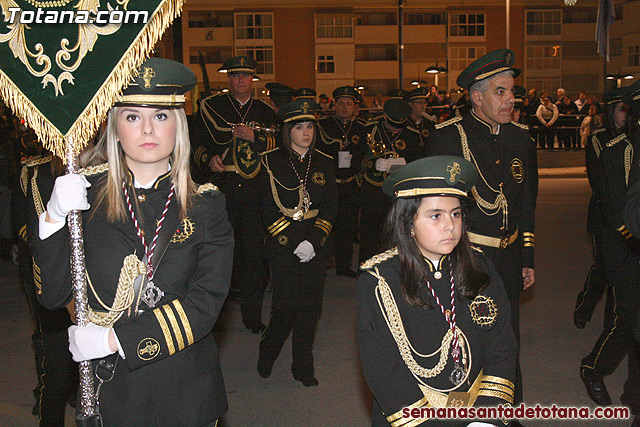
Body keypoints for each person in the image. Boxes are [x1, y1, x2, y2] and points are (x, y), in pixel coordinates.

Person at [32, 58, 234, 425]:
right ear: (115, 127)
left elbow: (206, 303)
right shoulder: (85, 197)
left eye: (160, 116)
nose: (147, 129)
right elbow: (53, 295)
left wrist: (113, 340)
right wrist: (53, 219)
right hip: (112, 391)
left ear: (178, 126)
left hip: (185, 390)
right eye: (131, 116)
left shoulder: (207, 205)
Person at [358, 155, 516, 427]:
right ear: (408, 224)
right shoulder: (380, 280)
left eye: (456, 213)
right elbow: (384, 369)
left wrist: (487, 416)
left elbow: (501, 345)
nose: (450, 225)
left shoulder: (481, 268)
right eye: (435, 216)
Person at [427, 49, 537, 416]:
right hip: (467, 258)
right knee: (469, 341)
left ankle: (505, 410)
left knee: (508, 340)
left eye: (512, 92)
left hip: (508, 258)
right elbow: (432, 209)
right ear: (477, 97)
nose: (511, 100)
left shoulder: (522, 139)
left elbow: (526, 206)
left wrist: (526, 257)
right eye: (500, 92)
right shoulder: (447, 138)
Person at [191, 56, 277, 333]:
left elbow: (280, 145)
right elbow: (197, 144)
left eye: (245, 75)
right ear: (228, 79)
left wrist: (256, 138)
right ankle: (216, 316)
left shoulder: (265, 110)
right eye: (235, 75)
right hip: (223, 187)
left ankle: (252, 315)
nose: (240, 80)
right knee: (220, 253)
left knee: (254, 253)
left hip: (254, 190)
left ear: (253, 79)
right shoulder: (210, 106)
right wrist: (209, 159)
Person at [257, 99, 337, 386]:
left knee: (310, 309)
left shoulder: (325, 163)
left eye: (310, 126)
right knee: (285, 307)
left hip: (315, 243)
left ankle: (302, 365)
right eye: (299, 127)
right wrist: (293, 242)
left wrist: (314, 242)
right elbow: (267, 208)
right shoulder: (269, 161)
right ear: (287, 130)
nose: (306, 132)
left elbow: (330, 207)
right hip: (283, 245)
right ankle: (268, 351)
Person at [580, 86, 640, 411]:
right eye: (621, 110)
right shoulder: (605, 142)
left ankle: (633, 392)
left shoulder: (633, 143)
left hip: (628, 232)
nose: (626, 116)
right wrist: (623, 231)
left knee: (627, 312)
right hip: (614, 230)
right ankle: (593, 367)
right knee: (623, 312)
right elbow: (602, 188)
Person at [14, 153, 78, 425]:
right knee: (56, 366)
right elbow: (24, 230)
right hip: (49, 273)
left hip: (94, 278)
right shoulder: (36, 174)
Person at [360, 99, 425, 265]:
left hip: (399, 192)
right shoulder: (370, 129)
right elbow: (357, 159)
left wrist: (405, 162)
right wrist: (373, 164)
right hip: (374, 190)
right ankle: (367, 269)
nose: (395, 128)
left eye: (399, 126)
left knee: (398, 233)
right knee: (370, 234)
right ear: (385, 116)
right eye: (392, 124)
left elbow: (419, 160)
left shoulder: (410, 133)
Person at [317, 86, 368, 277]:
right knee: (324, 225)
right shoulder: (323, 126)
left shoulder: (362, 129)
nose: (344, 108)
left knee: (347, 227)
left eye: (349, 104)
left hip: (351, 183)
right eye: (341, 104)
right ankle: (321, 263)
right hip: (329, 184)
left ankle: (344, 266)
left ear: (355, 107)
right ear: (334, 106)